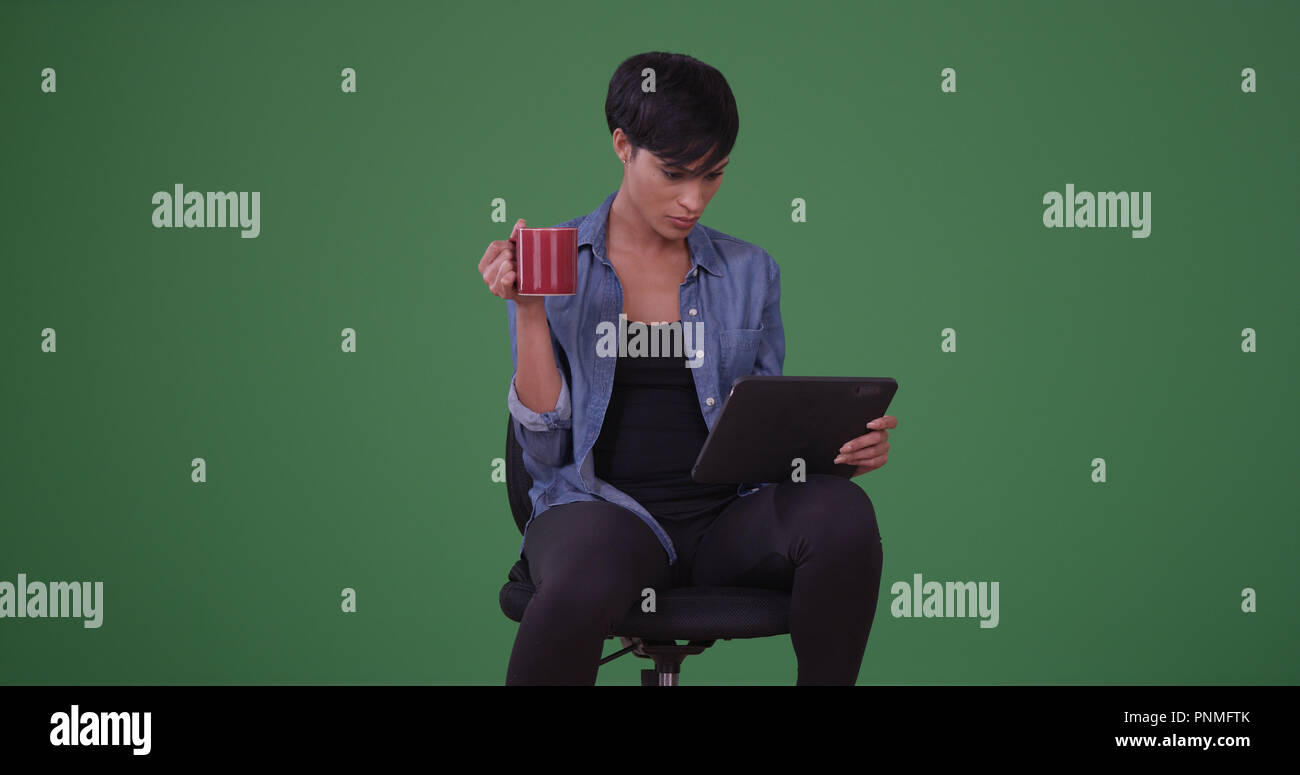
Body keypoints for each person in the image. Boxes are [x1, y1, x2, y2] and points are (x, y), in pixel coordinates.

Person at [477, 51, 898, 685]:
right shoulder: (555, 260)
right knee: (586, 567)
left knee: (842, 514)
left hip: (726, 524)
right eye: (674, 173)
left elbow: (765, 431)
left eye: (714, 175)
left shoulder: (750, 271)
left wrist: (834, 452)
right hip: (601, 512)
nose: (693, 199)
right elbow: (545, 441)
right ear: (623, 145)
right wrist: (530, 310)